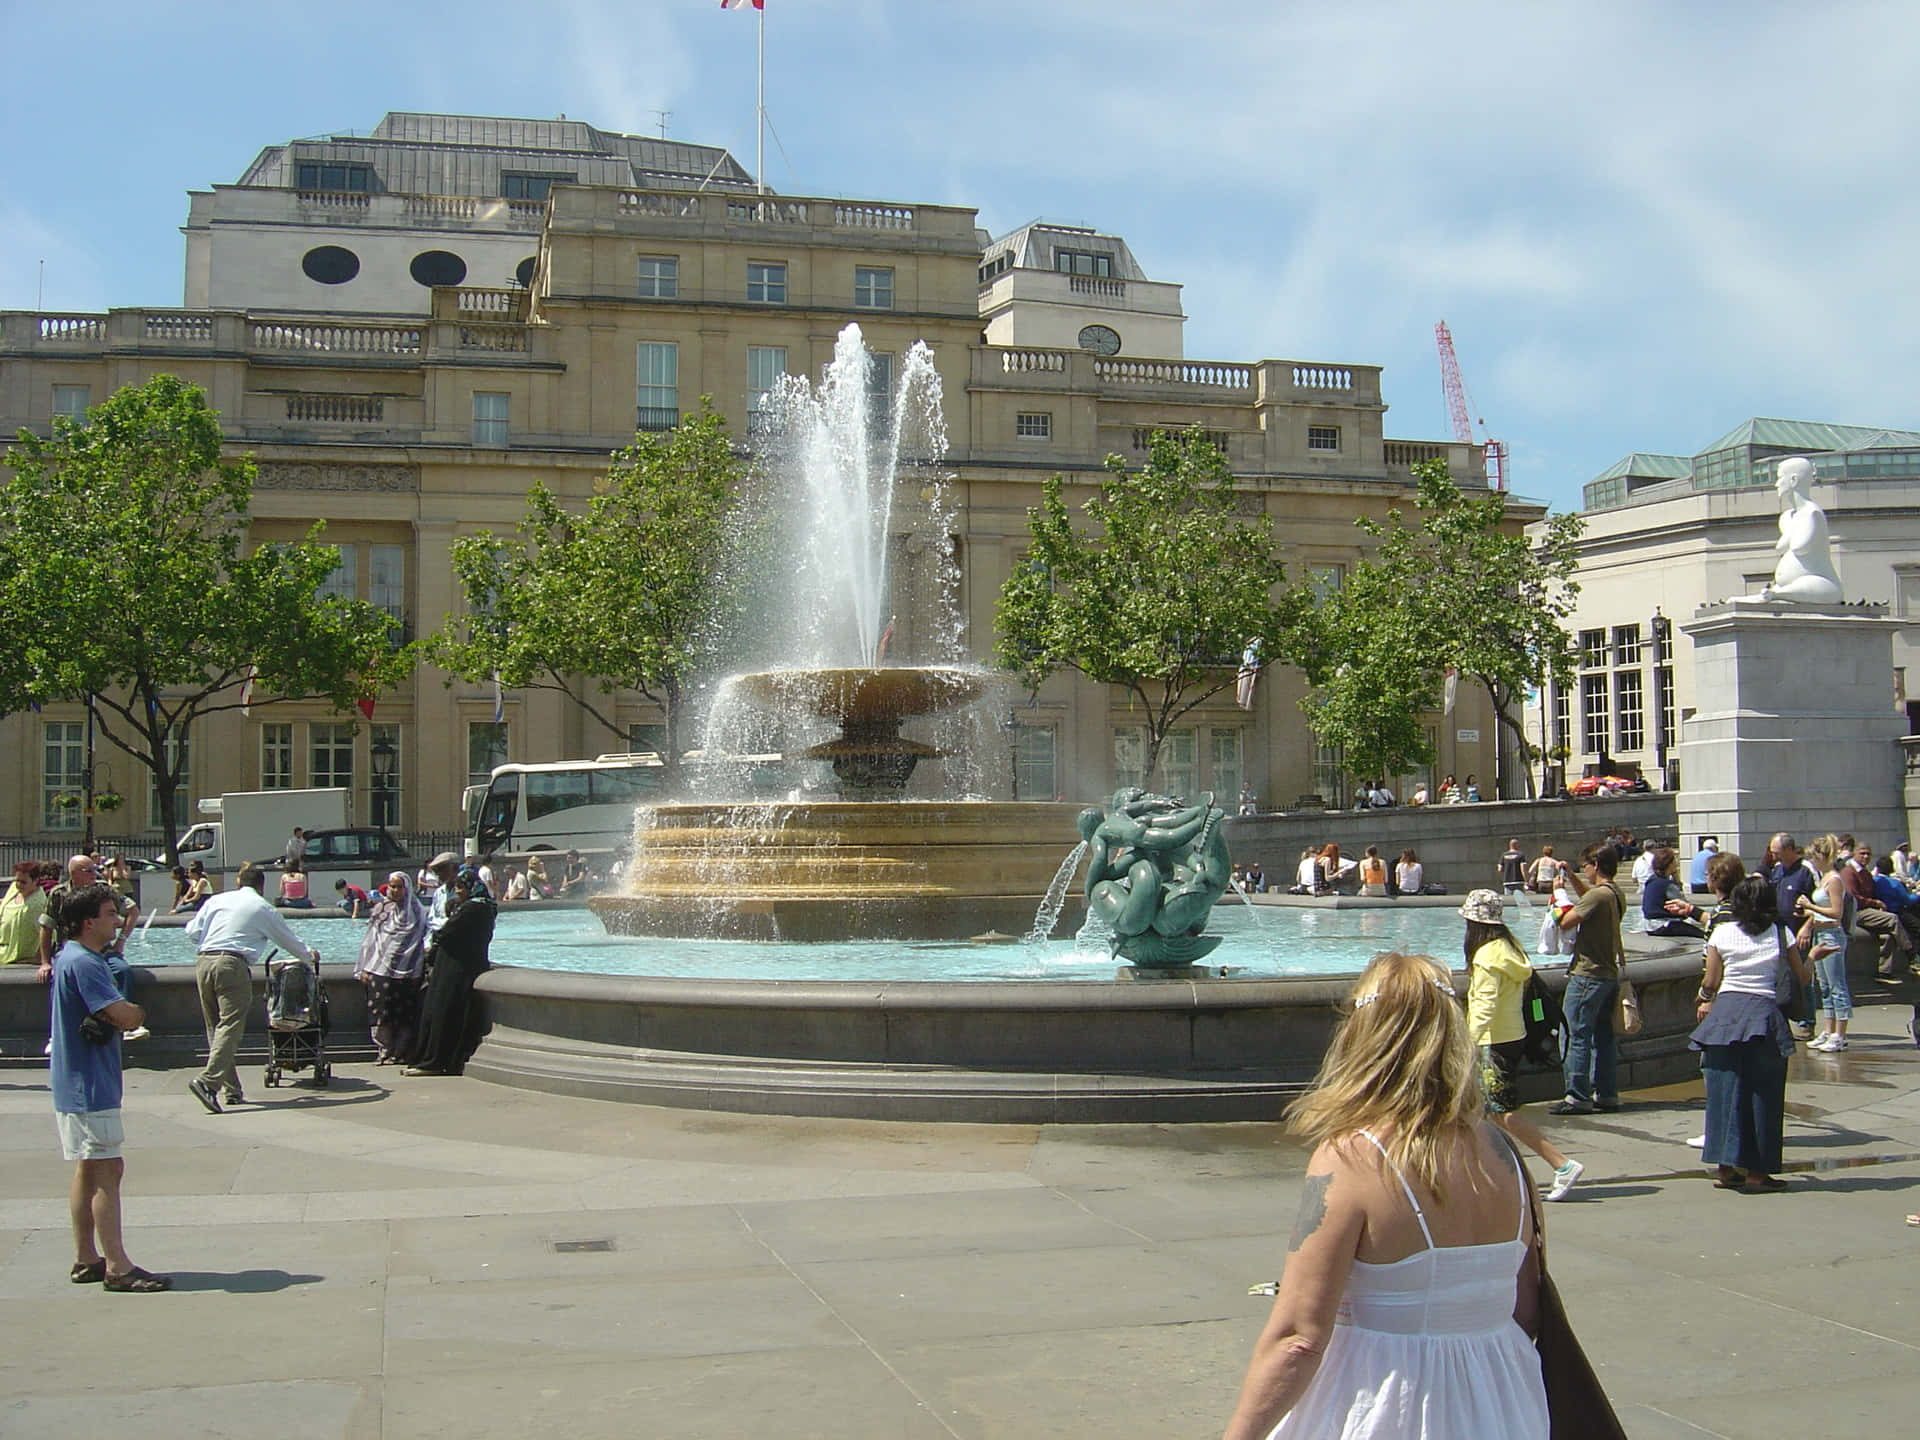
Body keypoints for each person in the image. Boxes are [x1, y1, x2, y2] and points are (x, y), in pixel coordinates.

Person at [1220, 951, 1547, 1439]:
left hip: (1387, 1399)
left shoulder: (1351, 1158)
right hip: (1501, 1395)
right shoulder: (1502, 1152)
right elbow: (1526, 1306)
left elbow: (1299, 1337)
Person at [48, 883, 171, 1292]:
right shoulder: (87, 963)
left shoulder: (68, 956)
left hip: (74, 1081)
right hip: (90, 1085)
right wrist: (137, 1011)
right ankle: (117, 1266)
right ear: (89, 922)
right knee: (107, 1168)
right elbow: (121, 1014)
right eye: (109, 913)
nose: (117, 920)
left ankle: (86, 1258)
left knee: (87, 1167)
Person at [1458, 890, 1582, 1202]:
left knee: (1503, 1113)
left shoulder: (1486, 956)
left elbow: (1484, 1006)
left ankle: (1561, 1164)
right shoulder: (1508, 949)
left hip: (1492, 1042)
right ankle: (1488, 1174)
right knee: (1485, 1112)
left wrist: (1466, 1042)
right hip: (1513, 1035)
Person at [1694, 874, 1808, 1193]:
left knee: (1723, 1093)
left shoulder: (1722, 932)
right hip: (1764, 1016)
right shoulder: (1780, 934)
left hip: (1726, 1016)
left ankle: (1725, 1167)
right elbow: (1801, 978)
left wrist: (1703, 1001)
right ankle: (1758, 1172)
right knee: (1764, 1097)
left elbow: (1710, 982)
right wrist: (1814, 957)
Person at [182, 862, 321, 1113]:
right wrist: (310, 956)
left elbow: (191, 930)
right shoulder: (262, 907)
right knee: (230, 1026)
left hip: (204, 961)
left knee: (215, 1027)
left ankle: (231, 1090)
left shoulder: (217, 900)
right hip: (233, 964)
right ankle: (208, 1082)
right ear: (261, 886)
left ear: (238, 882)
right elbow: (289, 941)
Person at [1550, 842, 1625, 1115]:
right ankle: (1606, 1094)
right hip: (1608, 975)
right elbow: (1588, 898)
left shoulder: (1597, 897)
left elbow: (1567, 920)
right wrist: (1571, 877)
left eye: (1585, 867)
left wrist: (1558, 895)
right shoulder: (1614, 893)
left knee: (1575, 1034)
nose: (1585, 871)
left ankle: (1577, 1095)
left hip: (1587, 975)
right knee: (1603, 1037)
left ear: (1595, 865)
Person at [404, 865, 496, 1076]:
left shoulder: (473, 909)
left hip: (456, 970)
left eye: (461, 888)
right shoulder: (483, 906)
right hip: (459, 966)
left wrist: (437, 938)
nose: (458, 892)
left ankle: (435, 1061)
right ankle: (432, 1060)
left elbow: (445, 932)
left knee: (443, 1013)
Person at [355, 870, 429, 1065]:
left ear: (407, 888)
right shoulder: (381, 909)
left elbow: (421, 942)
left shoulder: (418, 912)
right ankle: (384, 1050)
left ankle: (401, 1051)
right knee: (381, 1012)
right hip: (380, 970)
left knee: (403, 1014)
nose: (394, 890)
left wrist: (416, 968)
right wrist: (365, 966)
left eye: (398, 887)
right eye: (392, 886)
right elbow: (371, 939)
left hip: (408, 973)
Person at [1794, 835, 1855, 1053]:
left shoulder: (1834, 880)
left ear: (1823, 856)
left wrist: (1812, 906)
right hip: (1820, 933)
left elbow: (1837, 913)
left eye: (1814, 856)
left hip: (1831, 934)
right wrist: (1807, 911)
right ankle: (1828, 1030)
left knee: (1837, 985)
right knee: (1825, 986)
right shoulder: (1823, 878)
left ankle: (1840, 1033)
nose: (1812, 860)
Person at [1768, 834, 1821, 1039]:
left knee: (1803, 978)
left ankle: (1807, 1021)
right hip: (1780, 932)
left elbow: (1819, 903)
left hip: (1800, 934)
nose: (1773, 855)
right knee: (1783, 978)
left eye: (1776, 851)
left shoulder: (1806, 870)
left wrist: (1808, 926)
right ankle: (1786, 1020)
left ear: (1789, 849)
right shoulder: (1778, 870)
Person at [1836, 836, 1913, 978]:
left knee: (1888, 935)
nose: (1865, 856)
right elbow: (1853, 899)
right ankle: (1911, 955)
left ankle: (1884, 972)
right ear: (1854, 853)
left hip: (1868, 911)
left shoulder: (1866, 873)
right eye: (1862, 853)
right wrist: (1875, 903)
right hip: (1855, 913)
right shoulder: (1849, 872)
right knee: (1893, 919)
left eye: (1868, 854)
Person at [1642, 848, 1708, 938]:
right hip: (1664, 925)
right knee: (1703, 935)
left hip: (1649, 926)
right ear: (1670, 864)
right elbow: (1684, 904)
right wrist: (1677, 878)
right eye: (1674, 860)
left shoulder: (1651, 881)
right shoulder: (1667, 885)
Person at [3, 861, 48, 965]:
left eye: (23, 882)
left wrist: (39, 958)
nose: (18, 885)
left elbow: (48, 934)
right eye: (16, 880)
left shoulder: (37, 906)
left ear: (36, 881)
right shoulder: (14, 889)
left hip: (16, 960)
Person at [424, 851, 461, 935]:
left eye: (442, 869)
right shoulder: (438, 892)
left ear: (455, 869)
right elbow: (431, 920)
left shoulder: (464, 892)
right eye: (437, 870)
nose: (439, 874)